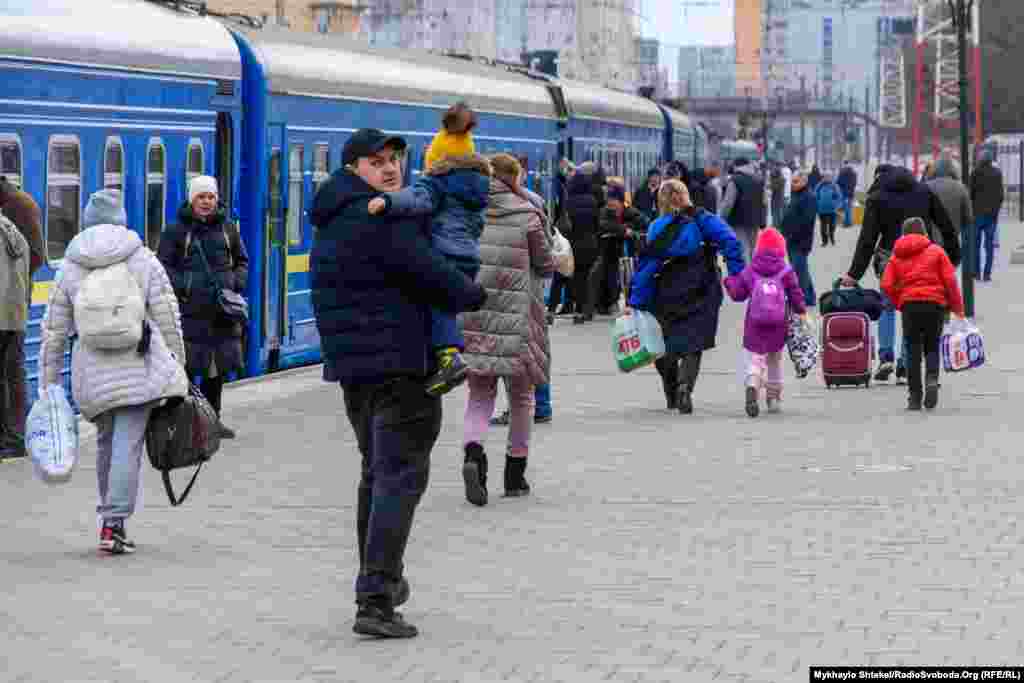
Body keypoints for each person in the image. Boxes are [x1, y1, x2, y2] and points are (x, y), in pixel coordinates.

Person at [310, 129, 487, 638]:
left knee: (376, 475)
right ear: (353, 169)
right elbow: (429, 272)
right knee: (399, 479)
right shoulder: (383, 222)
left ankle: (380, 581)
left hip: (355, 371)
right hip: (401, 368)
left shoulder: (331, 219)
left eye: (395, 161)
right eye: (376, 162)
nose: (390, 170)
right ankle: (377, 595)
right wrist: (470, 294)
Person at [37, 189, 188, 554]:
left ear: (87, 222)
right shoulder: (142, 259)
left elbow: (54, 329)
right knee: (128, 445)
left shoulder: (71, 265)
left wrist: (49, 380)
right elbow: (167, 315)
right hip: (139, 367)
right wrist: (178, 361)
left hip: (92, 372)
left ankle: (110, 519)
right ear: (122, 219)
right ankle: (114, 523)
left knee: (107, 443)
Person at [368, 107, 492, 396]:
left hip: (444, 253)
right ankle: (446, 355)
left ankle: (449, 358)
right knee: (444, 304)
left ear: (437, 159)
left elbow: (417, 198)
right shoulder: (479, 185)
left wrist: (387, 202)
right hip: (469, 256)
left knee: (437, 303)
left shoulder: (437, 182)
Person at [460, 154, 555, 506]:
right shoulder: (529, 213)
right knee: (522, 398)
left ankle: (473, 455)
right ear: (516, 177)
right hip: (520, 319)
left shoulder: (469, 212)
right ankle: (515, 475)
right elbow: (545, 265)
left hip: (476, 315)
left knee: (480, 395)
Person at [626, 179, 745, 415]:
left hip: (667, 290)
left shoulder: (657, 227)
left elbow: (648, 265)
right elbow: (731, 242)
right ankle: (684, 386)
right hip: (702, 288)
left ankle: (671, 392)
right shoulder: (704, 220)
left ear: (660, 200)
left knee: (664, 343)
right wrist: (736, 275)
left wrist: (636, 301)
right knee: (694, 342)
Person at [841, 166, 959, 383]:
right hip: (921, 259)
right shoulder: (924, 192)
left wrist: (854, 274)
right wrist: (953, 257)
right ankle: (906, 364)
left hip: (890, 259)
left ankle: (886, 357)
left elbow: (867, 239)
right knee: (910, 308)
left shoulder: (877, 198)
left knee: (887, 306)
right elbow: (946, 226)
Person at [157, 175, 248, 439]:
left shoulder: (227, 228)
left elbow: (242, 260)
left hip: (221, 313)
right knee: (185, 372)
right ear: (192, 199)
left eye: (210, 197)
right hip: (189, 314)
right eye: (201, 197)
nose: (206, 202)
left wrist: (236, 282)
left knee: (215, 372)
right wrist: (186, 286)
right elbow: (163, 266)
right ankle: (186, 426)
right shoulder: (176, 231)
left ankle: (212, 422)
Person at [881, 217, 965, 411]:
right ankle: (932, 380)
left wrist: (898, 300)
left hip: (910, 306)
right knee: (932, 346)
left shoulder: (896, 256)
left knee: (912, 349)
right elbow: (950, 282)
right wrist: (957, 309)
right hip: (934, 305)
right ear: (924, 233)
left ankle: (915, 396)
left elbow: (886, 284)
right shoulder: (937, 252)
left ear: (904, 234)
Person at [724, 227, 808, 417]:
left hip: (755, 323)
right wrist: (802, 311)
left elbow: (737, 294)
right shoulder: (786, 270)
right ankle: (773, 398)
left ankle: (752, 386)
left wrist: (729, 281)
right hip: (778, 323)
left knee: (756, 358)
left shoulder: (751, 270)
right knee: (774, 360)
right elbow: (796, 293)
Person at [0, 176, 45, 462]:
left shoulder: (20, 206)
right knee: (10, 371)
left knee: (11, 371)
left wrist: (13, 284)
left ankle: (14, 436)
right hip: (11, 301)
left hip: (10, 301)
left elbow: (37, 255)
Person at [0, 212, 30, 464]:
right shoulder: (11, 228)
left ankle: (10, 440)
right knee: (11, 377)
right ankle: (13, 439)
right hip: (14, 315)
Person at [591, 183, 646, 315]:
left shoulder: (631, 211)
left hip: (628, 253)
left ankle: (627, 303)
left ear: (621, 201)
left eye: (613, 200)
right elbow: (603, 225)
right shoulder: (604, 211)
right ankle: (604, 304)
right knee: (605, 275)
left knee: (627, 277)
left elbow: (643, 223)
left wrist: (628, 229)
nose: (610, 204)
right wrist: (622, 230)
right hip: (607, 251)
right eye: (609, 200)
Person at [564, 162, 604, 324]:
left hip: (573, 243)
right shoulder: (593, 201)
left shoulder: (569, 201)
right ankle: (585, 309)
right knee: (588, 277)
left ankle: (577, 308)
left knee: (576, 277)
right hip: (590, 243)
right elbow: (596, 225)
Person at [778, 172, 818, 312]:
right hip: (791, 239)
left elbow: (806, 221)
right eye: (793, 181)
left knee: (798, 270)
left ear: (804, 181)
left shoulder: (809, 197)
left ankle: (803, 298)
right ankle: (810, 297)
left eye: (796, 182)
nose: (793, 184)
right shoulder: (796, 195)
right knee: (802, 269)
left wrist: (792, 233)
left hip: (800, 240)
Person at [719, 157, 767, 263]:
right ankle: (752, 274)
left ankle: (746, 276)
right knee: (752, 249)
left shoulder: (735, 180)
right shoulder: (758, 180)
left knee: (742, 250)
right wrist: (763, 221)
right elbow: (764, 202)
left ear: (736, 166)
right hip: (754, 221)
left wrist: (721, 219)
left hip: (738, 221)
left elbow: (728, 203)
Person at [970, 147, 1004, 282]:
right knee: (989, 246)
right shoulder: (997, 173)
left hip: (977, 214)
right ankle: (987, 274)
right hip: (991, 216)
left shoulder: (975, 173)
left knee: (976, 246)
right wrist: (996, 209)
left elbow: (970, 193)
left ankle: (976, 273)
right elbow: (1001, 195)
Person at [815, 172, 843, 247]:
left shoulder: (834, 186)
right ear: (823, 177)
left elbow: (839, 197)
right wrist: (817, 205)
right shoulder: (819, 186)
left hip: (832, 210)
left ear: (831, 177)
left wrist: (836, 205)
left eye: (828, 177)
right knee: (823, 226)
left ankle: (832, 237)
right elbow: (815, 196)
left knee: (832, 225)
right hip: (822, 210)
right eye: (825, 177)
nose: (827, 178)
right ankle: (824, 241)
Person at [838, 161, 858, 227]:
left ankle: (847, 223)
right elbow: (855, 183)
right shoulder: (854, 173)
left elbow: (838, 182)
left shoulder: (842, 172)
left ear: (844, 164)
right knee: (849, 208)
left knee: (846, 208)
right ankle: (849, 222)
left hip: (844, 193)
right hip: (851, 193)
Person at [769, 162, 786, 228]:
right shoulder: (780, 178)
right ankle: (776, 224)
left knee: (776, 212)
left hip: (777, 197)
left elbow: (774, 187)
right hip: (777, 197)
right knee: (776, 212)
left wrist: (770, 184)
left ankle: (776, 225)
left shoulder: (779, 179)